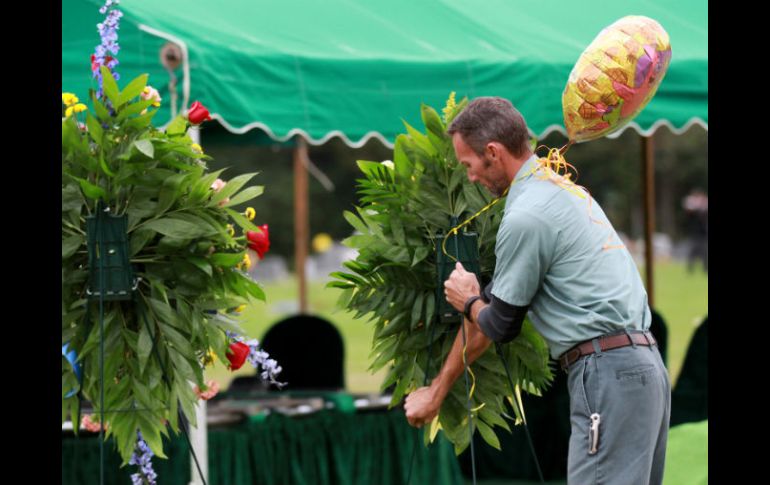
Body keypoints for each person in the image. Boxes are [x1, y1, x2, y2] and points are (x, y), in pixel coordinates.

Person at [404, 97, 670, 484]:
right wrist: (438, 390)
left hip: (608, 375)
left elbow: (500, 323)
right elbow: (496, 311)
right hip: (643, 370)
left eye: (469, 165)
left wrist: (467, 299)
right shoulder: (560, 191)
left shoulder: (528, 214)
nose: (471, 178)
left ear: (492, 153)